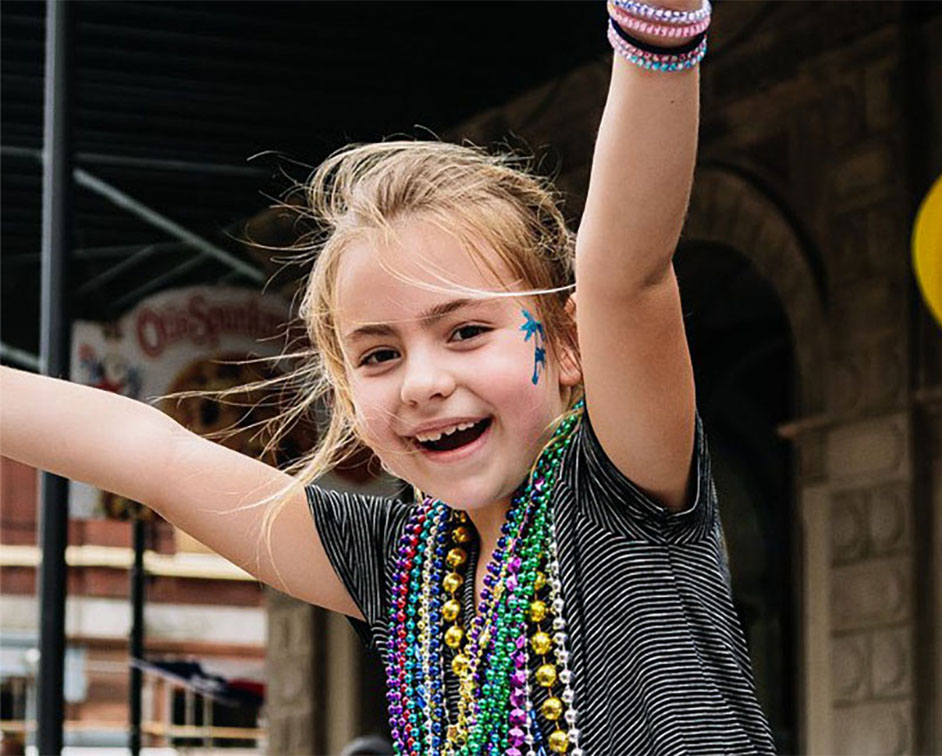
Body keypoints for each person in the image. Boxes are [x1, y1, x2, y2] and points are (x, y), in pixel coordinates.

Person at [1, 1, 777, 754]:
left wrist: (656, 27)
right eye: (379, 355)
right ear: (345, 394)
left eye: (466, 331)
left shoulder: (618, 494)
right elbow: (152, 455)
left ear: (569, 344)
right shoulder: (396, 566)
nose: (422, 382)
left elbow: (624, 274)